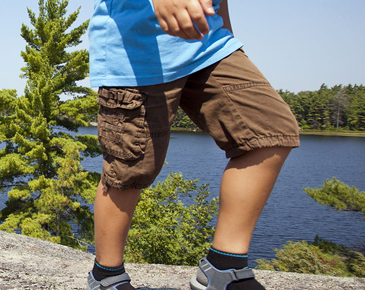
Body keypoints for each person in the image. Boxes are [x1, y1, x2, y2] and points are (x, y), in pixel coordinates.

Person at [86, 1, 299, 290]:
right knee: (129, 167)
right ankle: (106, 278)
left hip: (212, 47)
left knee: (270, 130)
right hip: (138, 52)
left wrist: (228, 39)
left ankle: (225, 267)